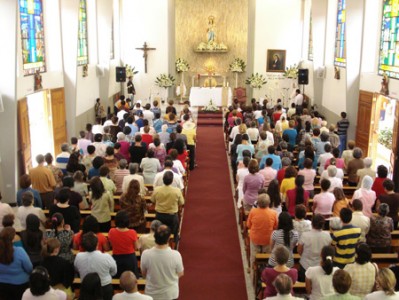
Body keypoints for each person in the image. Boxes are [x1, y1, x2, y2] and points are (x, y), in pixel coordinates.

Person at [141, 225, 184, 300]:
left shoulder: (146, 254)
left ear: (154, 237)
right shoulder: (176, 255)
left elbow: (144, 274)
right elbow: (180, 273)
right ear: (168, 239)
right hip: (170, 294)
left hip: (152, 294)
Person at [74, 232, 117, 300]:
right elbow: (114, 272)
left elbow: (77, 270)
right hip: (104, 287)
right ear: (97, 244)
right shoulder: (106, 257)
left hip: (87, 287)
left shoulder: (78, 257)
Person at [151, 171, 185, 246]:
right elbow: (182, 203)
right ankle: (174, 245)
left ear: (163, 179)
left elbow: (152, 200)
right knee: (174, 234)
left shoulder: (157, 189)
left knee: (159, 233)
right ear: (172, 180)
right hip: (172, 216)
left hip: (159, 215)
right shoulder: (177, 190)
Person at [0, 227, 33, 300]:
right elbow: (29, 268)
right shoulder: (19, 251)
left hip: (2, 285)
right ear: (13, 238)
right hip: (20, 285)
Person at [298, 214, 332, 282]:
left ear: (312, 223)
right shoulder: (327, 235)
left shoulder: (305, 235)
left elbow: (299, 251)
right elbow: (328, 251)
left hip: (305, 265)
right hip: (320, 266)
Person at [247, 194, 278, 269]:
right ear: (268, 203)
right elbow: (276, 227)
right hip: (268, 239)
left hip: (255, 238)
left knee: (254, 257)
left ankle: (252, 270)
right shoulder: (273, 213)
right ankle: (265, 270)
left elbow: (248, 225)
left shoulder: (253, 211)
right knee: (267, 257)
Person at [108, 210, 139, 278]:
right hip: (130, 259)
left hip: (117, 259)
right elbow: (136, 247)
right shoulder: (132, 232)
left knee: (117, 279)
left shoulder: (111, 231)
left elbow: (111, 244)